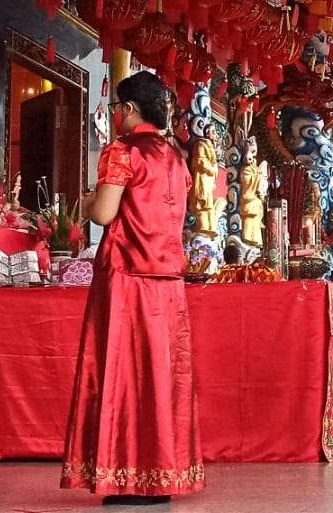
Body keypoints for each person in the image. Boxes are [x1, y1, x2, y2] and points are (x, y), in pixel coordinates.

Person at [62, 71, 204, 501]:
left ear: (130, 110)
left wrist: (86, 201)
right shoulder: (177, 158)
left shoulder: (122, 151)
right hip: (168, 282)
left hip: (127, 276)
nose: (116, 117)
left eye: (118, 109)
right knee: (162, 377)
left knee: (121, 372)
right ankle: (161, 474)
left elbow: (104, 214)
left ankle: (123, 474)